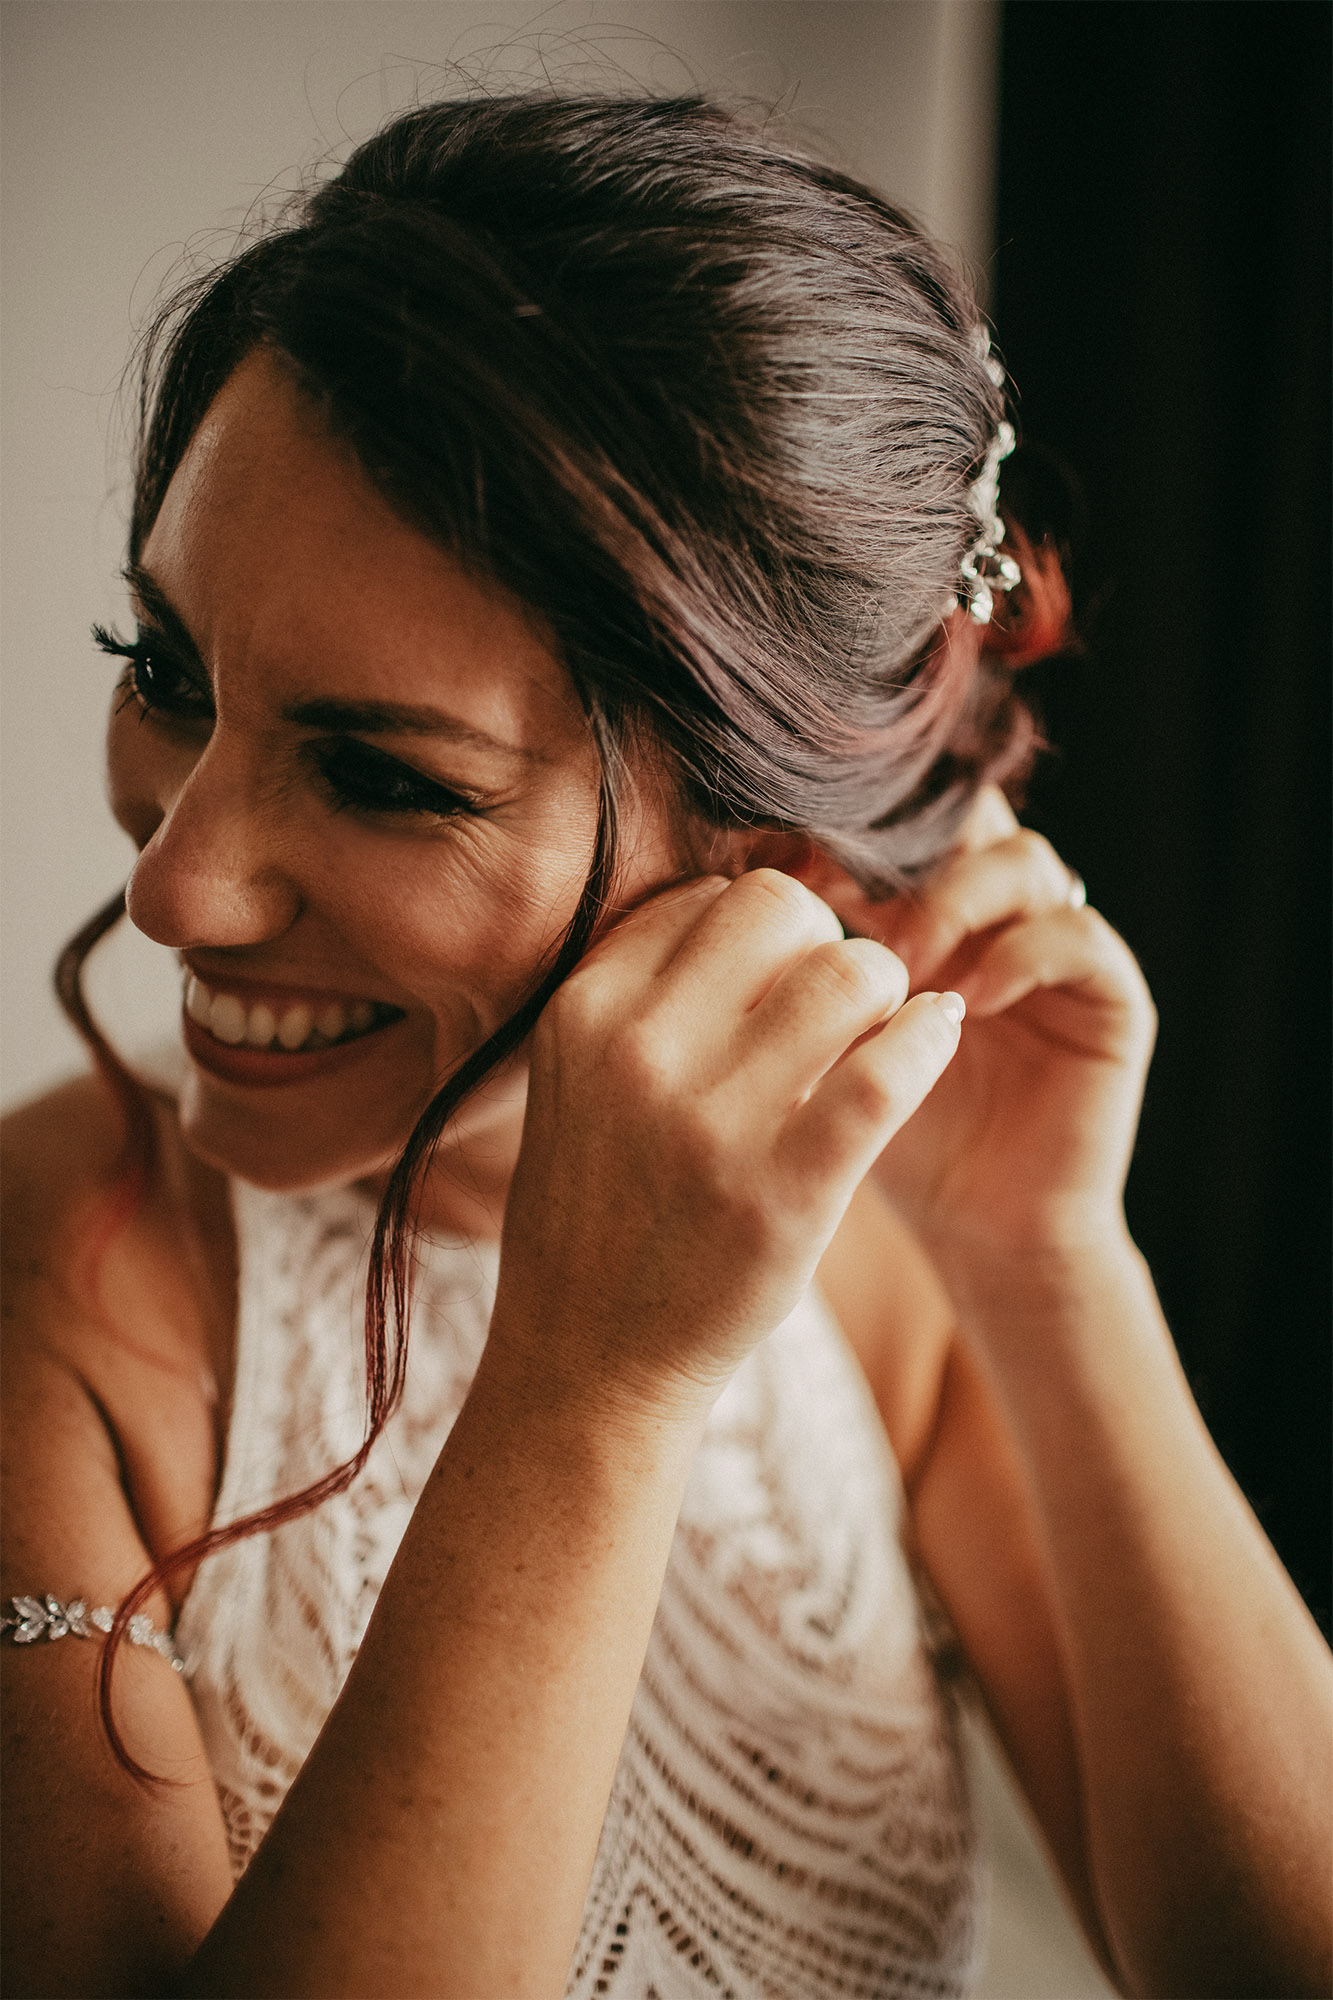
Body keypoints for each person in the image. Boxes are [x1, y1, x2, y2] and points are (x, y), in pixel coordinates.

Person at [1, 93, 1329, 2000]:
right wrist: (583, 1389)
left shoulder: (882, 1267)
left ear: (769, 857)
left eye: (383, 774)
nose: (177, 892)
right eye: (170, 675)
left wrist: (1049, 1264)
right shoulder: (43, 1290)